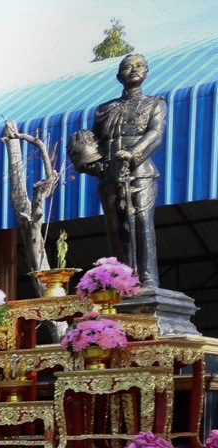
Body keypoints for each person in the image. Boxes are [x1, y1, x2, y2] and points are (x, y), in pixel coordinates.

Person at [72, 53, 167, 288]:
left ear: (147, 72)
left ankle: (148, 279)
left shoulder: (155, 104)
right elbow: (96, 142)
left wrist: (134, 153)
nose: (133, 69)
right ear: (118, 76)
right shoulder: (104, 109)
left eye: (139, 66)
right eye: (127, 67)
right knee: (115, 228)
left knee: (141, 221)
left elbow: (155, 134)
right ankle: (122, 280)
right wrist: (86, 156)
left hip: (141, 172)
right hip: (110, 174)